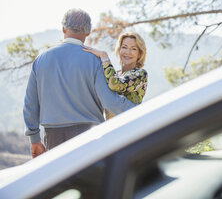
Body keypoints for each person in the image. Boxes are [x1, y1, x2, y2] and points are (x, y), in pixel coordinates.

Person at [23, 9, 136, 158]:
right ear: (88, 32)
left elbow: (30, 104)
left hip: (53, 136)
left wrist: (34, 139)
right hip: (89, 135)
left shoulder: (41, 60)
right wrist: (140, 110)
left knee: (62, 180)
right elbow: (110, 102)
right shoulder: (94, 60)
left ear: (63, 29)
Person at [82, 32, 148, 119]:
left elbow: (115, 84)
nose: (128, 52)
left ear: (139, 53)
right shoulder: (115, 74)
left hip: (130, 125)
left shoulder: (140, 74)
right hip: (111, 127)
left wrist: (104, 56)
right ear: (119, 50)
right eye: (124, 47)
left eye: (133, 49)